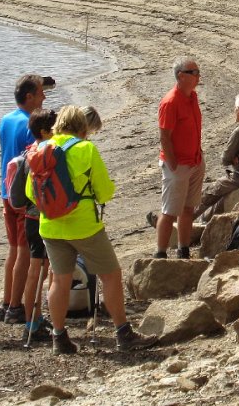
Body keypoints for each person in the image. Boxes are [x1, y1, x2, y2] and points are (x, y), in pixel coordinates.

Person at [26, 105, 155, 354]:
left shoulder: (40, 149)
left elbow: (30, 193)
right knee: (111, 275)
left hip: (50, 226)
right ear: (82, 127)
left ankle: (59, 337)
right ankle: (123, 333)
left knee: (59, 280)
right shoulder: (85, 149)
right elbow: (104, 191)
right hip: (83, 225)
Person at [0, 74, 45, 324]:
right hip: (23, 195)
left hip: (7, 191)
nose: (44, 96)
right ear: (29, 96)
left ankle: (6, 303)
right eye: (40, 93)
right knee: (24, 252)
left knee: (14, 249)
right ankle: (15, 306)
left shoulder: (6, 119)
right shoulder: (29, 124)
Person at [154, 57, 204, 259]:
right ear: (181, 76)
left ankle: (183, 250)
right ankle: (160, 254)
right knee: (169, 212)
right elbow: (164, 136)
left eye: (198, 72)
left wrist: (198, 155)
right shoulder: (170, 102)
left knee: (188, 208)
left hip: (195, 161)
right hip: (178, 166)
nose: (198, 76)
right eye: (194, 72)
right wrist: (173, 164)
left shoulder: (192, 96)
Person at [188, 92, 239, 221]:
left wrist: (234, 159)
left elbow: (225, 159)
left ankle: (184, 218)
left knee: (212, 190)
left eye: (235, 109)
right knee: (221, 198)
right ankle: (204, 220)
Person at [19, 108, 57, 344]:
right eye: (54, 128)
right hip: (44, 217)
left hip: (30, 217)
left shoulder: (28, 153)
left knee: (37, 271)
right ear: (44, 131)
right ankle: (33, 323)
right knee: (41, 271)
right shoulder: (47, 152)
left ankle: (33, 321)